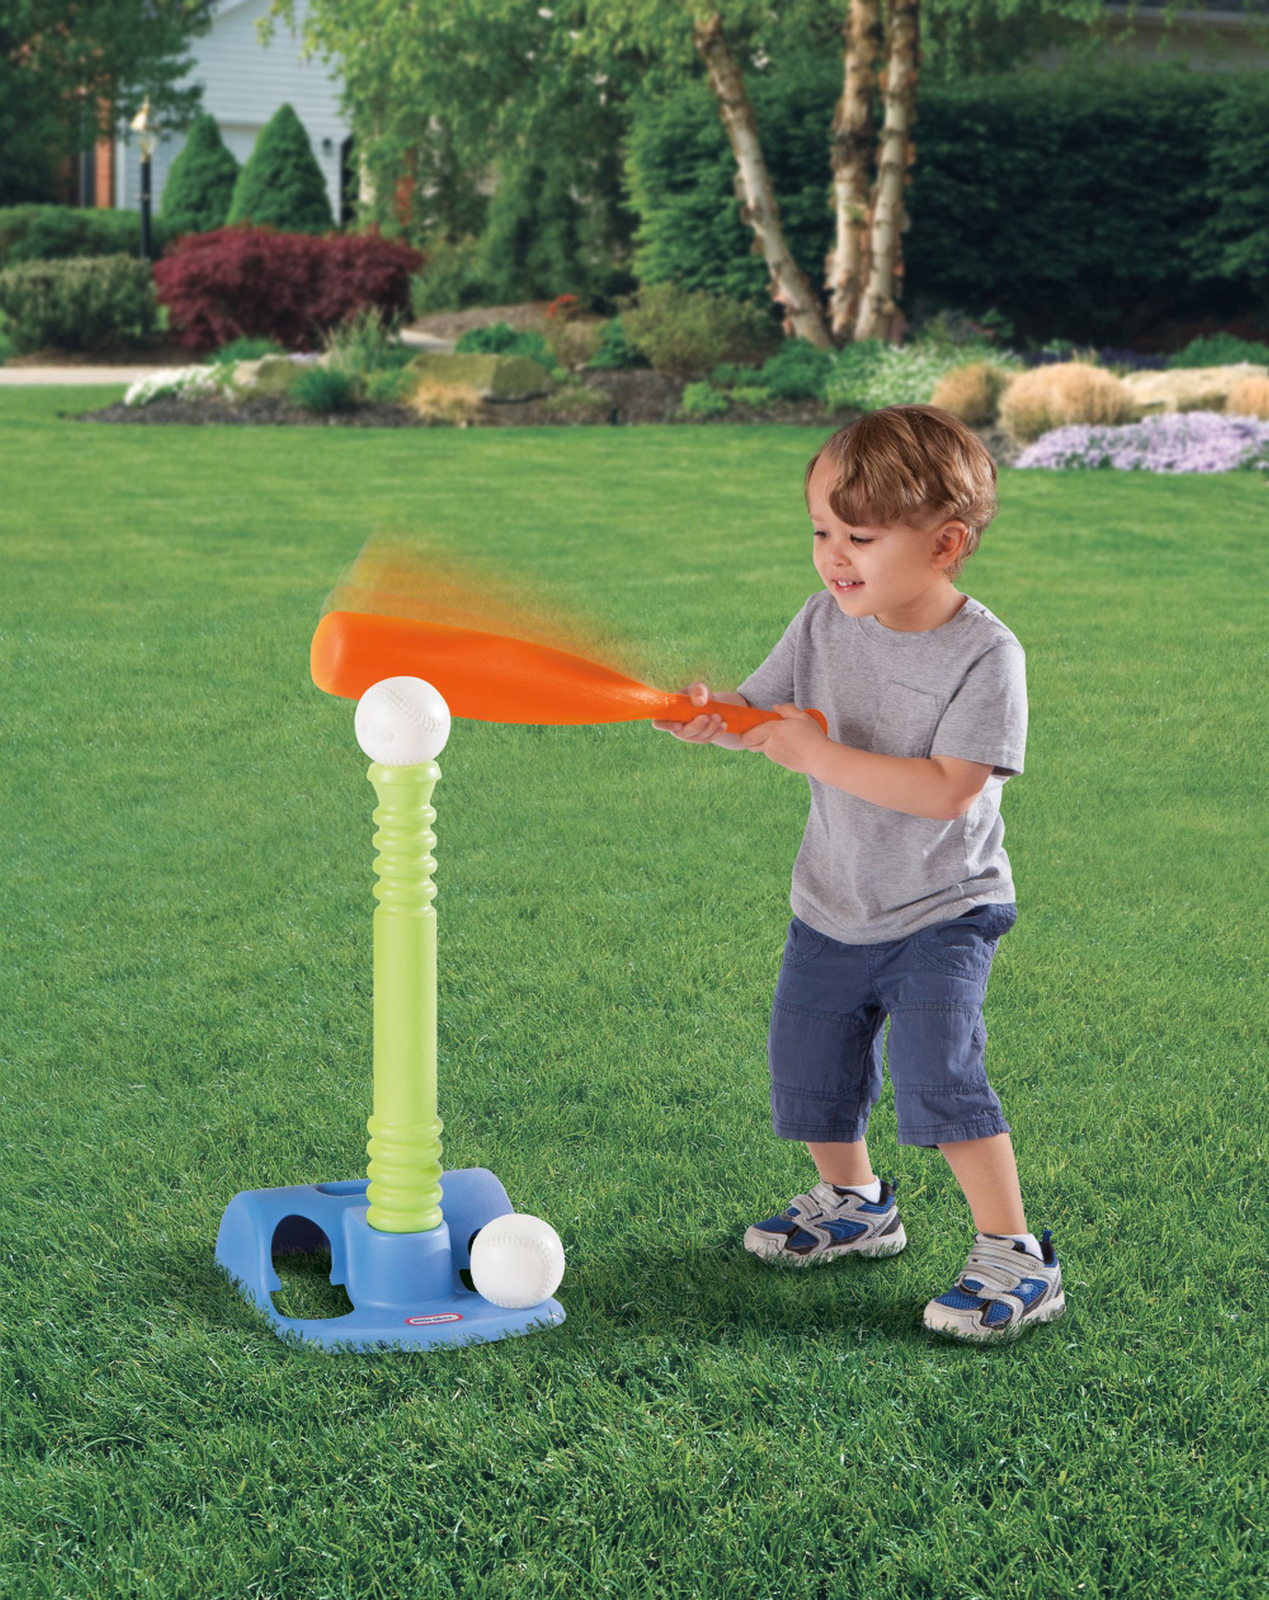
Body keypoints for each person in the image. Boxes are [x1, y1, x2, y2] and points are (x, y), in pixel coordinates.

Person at [652, 404, 1065, 1343]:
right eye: (820, 533)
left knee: (937, 1073)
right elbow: (763, 713)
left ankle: (1015, 1255)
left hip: (943, 909)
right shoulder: (820, 623)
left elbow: (948, 790)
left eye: (860, 538)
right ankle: (856, 1203)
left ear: (945, 544)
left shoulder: (985, 654)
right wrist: (713, 717)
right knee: (810, 1067)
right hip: (832, 902)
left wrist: (817, 754)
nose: (832, 557)